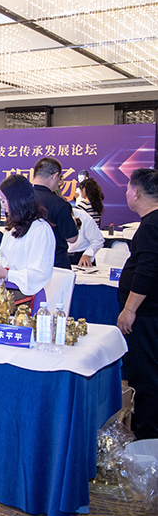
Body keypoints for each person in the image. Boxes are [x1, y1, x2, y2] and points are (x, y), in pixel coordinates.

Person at [117, 168, 158, 439]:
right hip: (150, 314)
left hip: (147, 316)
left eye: (128, 188)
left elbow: (147, 270)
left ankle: (147, 437)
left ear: (137, 192)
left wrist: (129, 309)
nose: (126, 192)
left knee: (146, 377)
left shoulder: (151, 226)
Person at [0, 174, 55, 305]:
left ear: (17, 201)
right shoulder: (12, 228)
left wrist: (7, 274)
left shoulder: (40, 229)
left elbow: (40, 274)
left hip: (27, 297)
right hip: (6, 293)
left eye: (4, 201)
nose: (3, 206)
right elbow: (3, 259)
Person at [31, 157, 78, 269]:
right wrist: (74, 223)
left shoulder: (20, 199)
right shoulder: (59, 203)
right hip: (55, 263)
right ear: (54, 176)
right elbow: (71, 238)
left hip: (27, 262)